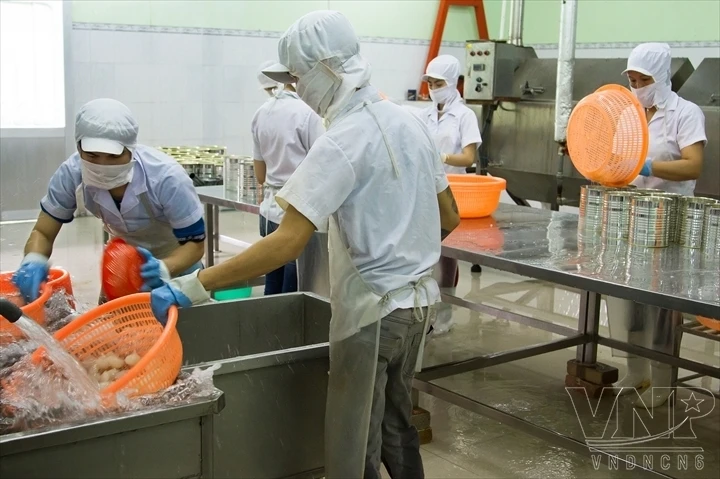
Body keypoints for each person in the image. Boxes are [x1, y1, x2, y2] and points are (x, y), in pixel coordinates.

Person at [149, 10, 460, 478]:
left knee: (350, 443)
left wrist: (195, 285)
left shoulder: (341, 142)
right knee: (397, 423)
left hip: (373, 314)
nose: (296, 89)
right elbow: (449, 215)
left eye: (298, 78)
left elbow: (286, 242)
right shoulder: (410, 121)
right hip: (418, 309)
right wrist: (403, 250)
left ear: (328, 70)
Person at [12, 98, 206, 303]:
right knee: (115, 330)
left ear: (131, 150)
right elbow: (43, 231)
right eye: (93, 155)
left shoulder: (167, 178)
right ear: (78, 147)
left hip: (178, 267)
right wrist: (33, 259)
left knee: (181, 330)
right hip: (121, 268)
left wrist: (164, 268)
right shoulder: (71, 173)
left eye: (113, 157)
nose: (102, 165)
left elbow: (195, 245)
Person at [606, 42, 706, 408]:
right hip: (633, 217)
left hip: (670, 220)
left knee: (661, 309)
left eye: (642, 79)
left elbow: (693, 165)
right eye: (632, 79)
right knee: (628, 302)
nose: (637, 86)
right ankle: (637, 371)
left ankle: (663, 382)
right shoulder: (631, 114)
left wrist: (647, 167)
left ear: (661, 77)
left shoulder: (686, 113)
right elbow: (620, 159)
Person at [420, 55, 483, 336]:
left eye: (439, 83)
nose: (434, 88)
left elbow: (469, 157)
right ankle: (428, 311)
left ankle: (445, 316)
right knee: (427, 254)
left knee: (448, 256)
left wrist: (443, 156)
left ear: (454, 83)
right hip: (427, 190)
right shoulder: (426, 114)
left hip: (453, 191)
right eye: (431, 83)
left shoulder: (465, 116)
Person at [252, 60, 325, 295]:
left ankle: (267, 329)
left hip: (270, 211)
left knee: (272, 284)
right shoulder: (309, 114)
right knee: (295, 289)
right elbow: (323, 168)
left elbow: (259, 175)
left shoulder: (261, 113)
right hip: (299, 213)